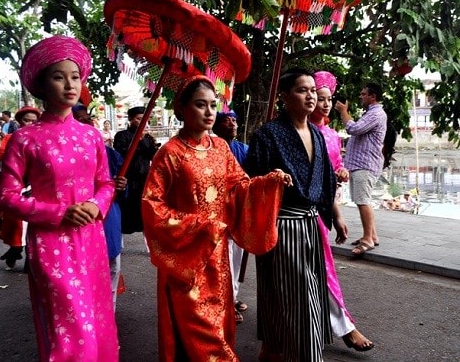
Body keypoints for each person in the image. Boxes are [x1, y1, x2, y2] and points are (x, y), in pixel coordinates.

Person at [141, 75, 292, 361]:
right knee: (197, 327)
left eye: (213, 105)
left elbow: (239, 188)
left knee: (218, 319)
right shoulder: (170, 153)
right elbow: (152, 205)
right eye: (200, 105)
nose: (209, 112)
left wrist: (267, 184)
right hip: (186, 256)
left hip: (218, 254)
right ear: (182, 108)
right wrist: (197, 227)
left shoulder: (221, 148)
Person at [0, 35, 119, 361]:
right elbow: (5, 198)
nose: (70, 84)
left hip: (91, 240)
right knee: (71, 335)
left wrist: (96, 204)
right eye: (59, 76)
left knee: (96, 322)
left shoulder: (92, 135)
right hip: (52, 246)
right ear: (41, 83)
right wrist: (59, 212)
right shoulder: (24, 139)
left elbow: (106, 183)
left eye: (75, 76)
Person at [243, 68, 337, 362]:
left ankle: (272, 348)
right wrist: (271, 179)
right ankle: (307, 356)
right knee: (296, 297)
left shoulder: (318, 136)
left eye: (312, 90)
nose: (310, 96)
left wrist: (333, 214)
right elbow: (248, 183)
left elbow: (326, 181)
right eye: (302, 90)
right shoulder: (268, 135)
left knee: (297, 291)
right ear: (284, 97)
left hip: (309, 222)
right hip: (281, 223)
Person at [310, 70, 374, 351]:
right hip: (302, 211)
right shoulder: (297, 132)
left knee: (320, 270)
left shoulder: (332, 137)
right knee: (321, 270)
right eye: (318, 98)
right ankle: (344, 327)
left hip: (324, 207)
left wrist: (342, 172)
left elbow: (332, 172)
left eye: (328, 99)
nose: (324, 104)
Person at [72, 103, 127, 310]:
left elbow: (117, 187)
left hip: (108, 216)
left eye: (88, 117)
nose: (86, 121)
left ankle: (108, 311)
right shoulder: (62, 151)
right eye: (79, 117)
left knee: (112, 265)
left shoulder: (110, 153)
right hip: (77, 217)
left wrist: (121, 186)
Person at [335, 82, 387, 256]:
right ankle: (372, 235)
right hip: (360, 165)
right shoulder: (371, 113)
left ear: (373, 97)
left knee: (363, 201)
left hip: (365, 165)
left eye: (364, 94)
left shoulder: (376, 114)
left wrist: (343, 112)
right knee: (361, 200)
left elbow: (354, 129)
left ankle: (368, 240)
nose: (361, 96)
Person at [212, 110, 249, 324]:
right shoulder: (210, 147)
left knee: (235, 258)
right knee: (220, 259)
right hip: (216, 213)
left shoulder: (243, 149)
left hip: (239, 212)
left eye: (235, 120)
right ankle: (222, 300)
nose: (233, 124)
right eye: (228, 120)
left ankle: (231, 297)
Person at [0, 106, 42, 269]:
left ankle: (28, 261)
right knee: (17, 227)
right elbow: (5, 160)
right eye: (26, 120)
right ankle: (14, 251)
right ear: (19, 121)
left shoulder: (42, 137)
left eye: (34, 120)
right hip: (17, 188)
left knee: (34, 225)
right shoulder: (11, 138)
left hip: (37, 187)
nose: (30, 123)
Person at [114, 106, 158, 234]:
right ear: (130, 119)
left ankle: (148, 247)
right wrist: (136, 142)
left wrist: (146, 142)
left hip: (144, 181)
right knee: (126, 216)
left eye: (145, 120)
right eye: (139, 119)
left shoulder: (147, 138)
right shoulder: (122, 135)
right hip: (127, 182)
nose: (143, 122)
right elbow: (120, 155)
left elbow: (152, 156)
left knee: (145, 216)